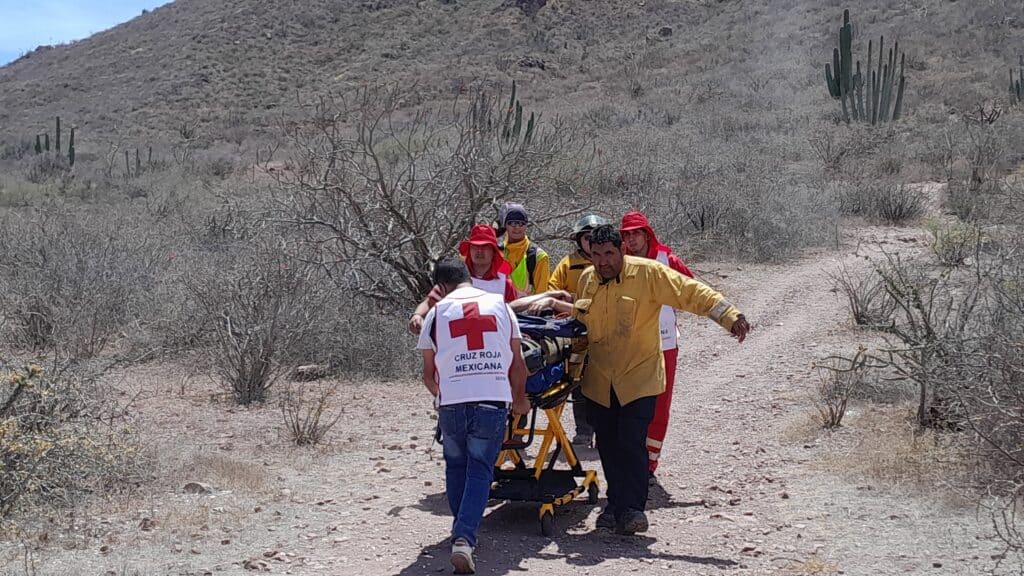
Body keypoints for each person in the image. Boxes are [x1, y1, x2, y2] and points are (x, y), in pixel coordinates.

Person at [573, 225, 750, 535]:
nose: (603, 262)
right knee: (609, 447)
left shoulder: (648, 274)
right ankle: (615, 505)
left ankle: (631, 510)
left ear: (622, 251)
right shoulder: (587, 280)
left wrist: (728, 315)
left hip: (638, 378)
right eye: (597, 255)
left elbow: (690, 291)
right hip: (600, 381)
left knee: (631, 444)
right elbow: (580, 326)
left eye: (610, 254)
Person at [416, 259, 530, 574]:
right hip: (491, 399)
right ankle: (464, 538)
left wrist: (444, 397)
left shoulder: (436, 314)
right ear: (468, 278)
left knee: (456, 465)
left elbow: (428, 374)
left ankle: (461, 531)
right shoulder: (500, 305)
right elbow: (517, 362)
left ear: (441, 286)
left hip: (452, 402)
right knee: (480, 470)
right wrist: (519, 400)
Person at [619, 211, 694, 480]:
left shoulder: (666, 260)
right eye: (627, 234)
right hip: (629, 345)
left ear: (647, 234)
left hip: (664, 343)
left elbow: (692, 290)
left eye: (636, 233)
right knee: (628, 404)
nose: (632, 239)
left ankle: (649, 463)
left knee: (660, 405)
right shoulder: (620, 262)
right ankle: (630, 458)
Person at [548, 214, 609, 447]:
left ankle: (606, 431)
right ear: (579, 240)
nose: (591, 241)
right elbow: (553, 291)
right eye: (586, 237)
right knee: (578, 380)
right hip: (577, 332)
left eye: (595, 236)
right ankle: (583, 431)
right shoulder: (568, 264)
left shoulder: (609, 261)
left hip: (606, 330)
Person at [409, 225, 519, 335]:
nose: (479, 251)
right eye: (475, 247)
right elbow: (429, 302)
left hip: (495, 340)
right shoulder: (455, 276)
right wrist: (417, 315)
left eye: (485, 247)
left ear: (493, 251)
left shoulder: (504, 283)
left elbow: (513, 313)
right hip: (457, 338)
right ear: (469, 250)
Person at [497, 203, 550, 297]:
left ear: (526, 226)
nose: (517, 227)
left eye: (521, 223)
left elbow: (542, 295)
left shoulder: (538, 256)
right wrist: (493, 232)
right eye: (512, 223)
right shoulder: (496, 252)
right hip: (500, 308)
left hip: (527, 309)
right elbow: (467, 258)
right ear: (505, 225)